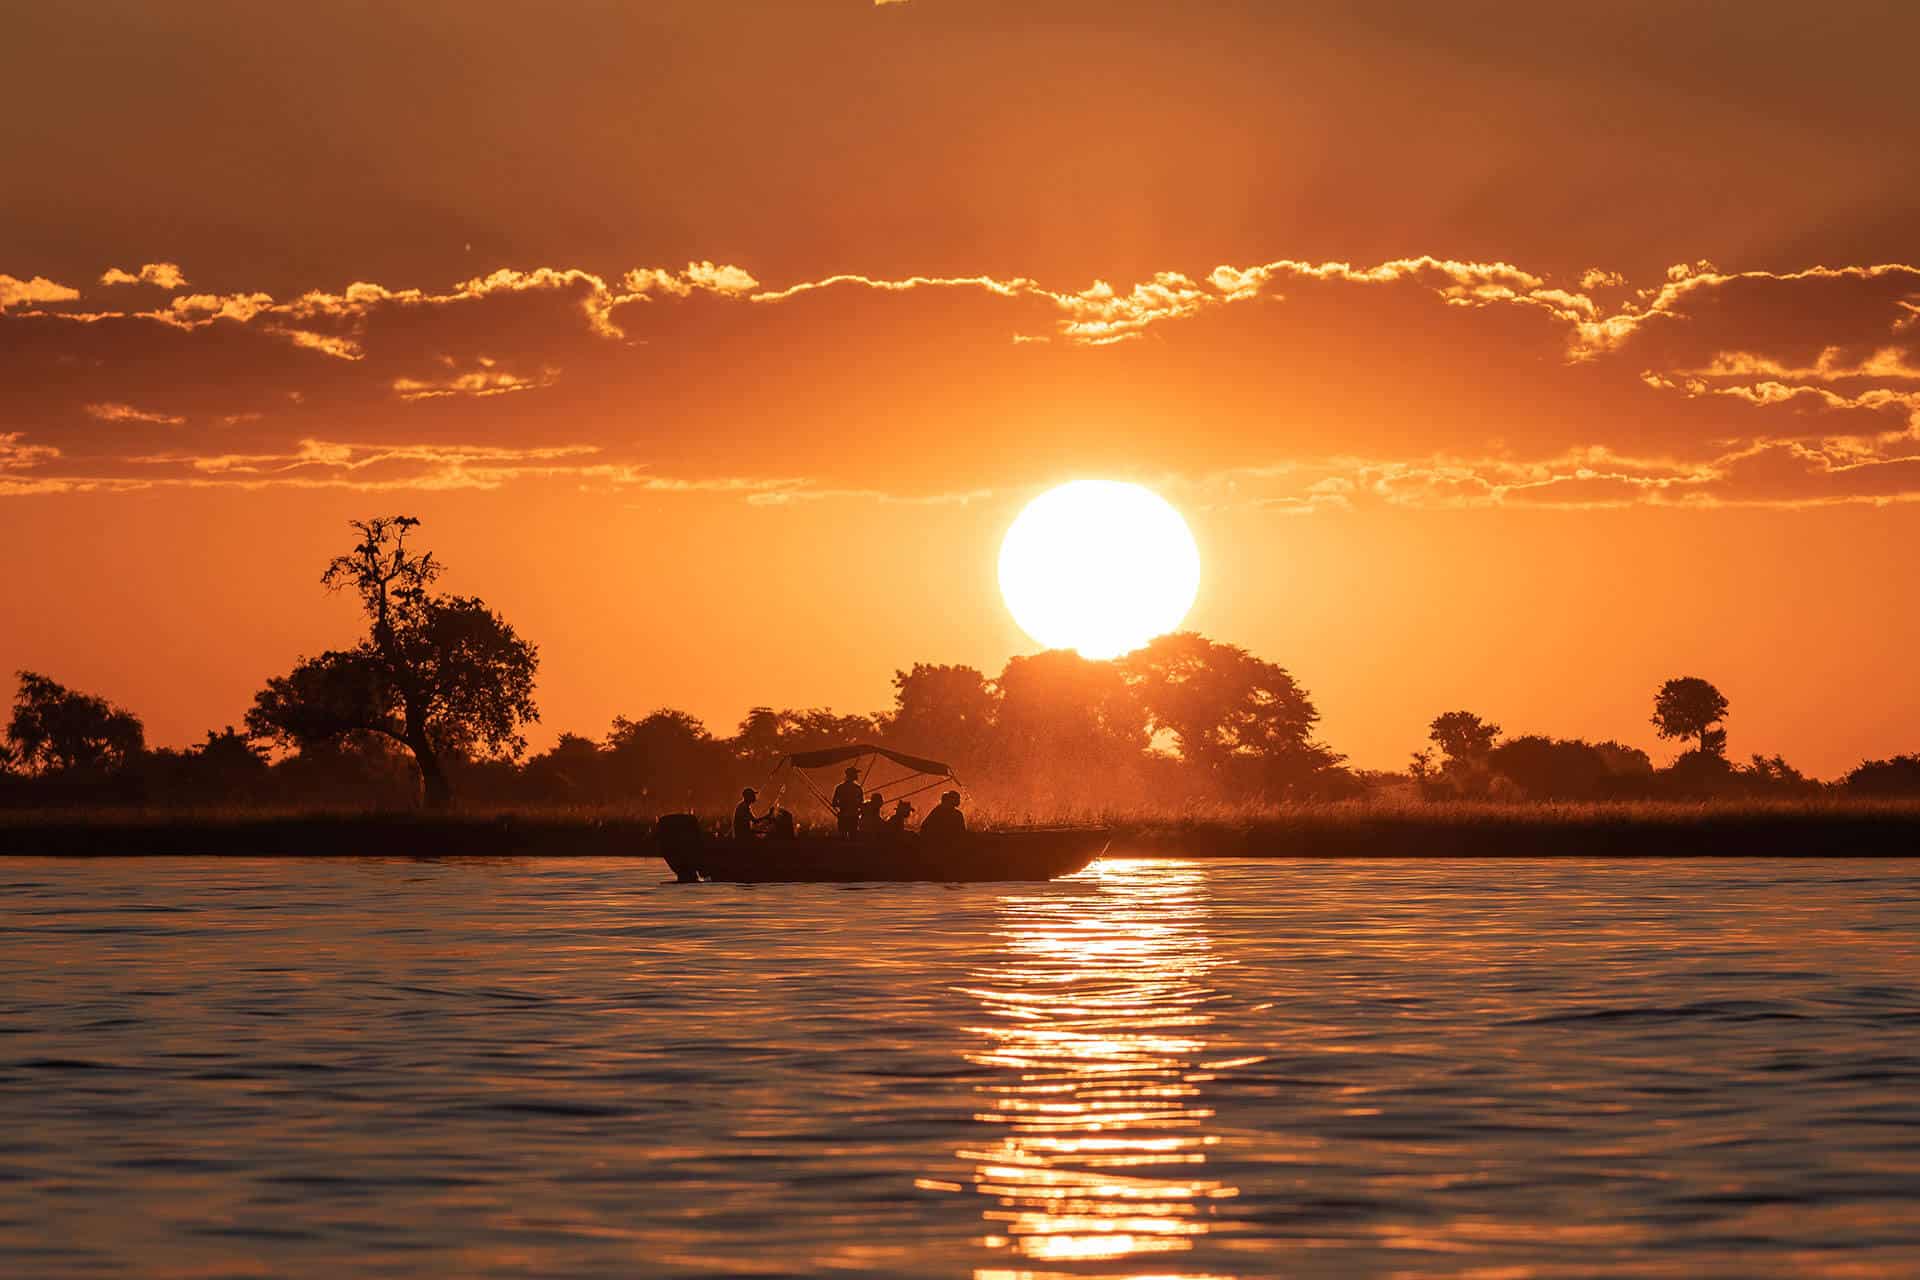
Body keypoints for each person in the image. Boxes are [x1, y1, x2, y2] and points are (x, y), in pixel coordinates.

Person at [831, 767, 863, 838]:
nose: (857, 775)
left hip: (843, 816)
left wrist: (842, 807)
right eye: (855, 774)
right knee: (853, 837)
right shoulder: (858, 788)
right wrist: (858, 811)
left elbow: (834, 803)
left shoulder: (839, 788)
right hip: (853, 817)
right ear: (853, 775)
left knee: (843, 837)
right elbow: (861, 804)